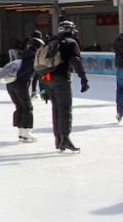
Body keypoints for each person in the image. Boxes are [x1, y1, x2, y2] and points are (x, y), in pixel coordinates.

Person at [38, 20, 90, 152]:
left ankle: (58, 140)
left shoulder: (51, 42)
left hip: (46, 81)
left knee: (56, 109)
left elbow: (40, 66)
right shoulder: (71, 43)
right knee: (65, 109)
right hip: (61, 80)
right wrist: (83, 79)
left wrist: (42, 88)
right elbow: (76, 61)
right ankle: (64, 139)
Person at [7, 35, 43, 142]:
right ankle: (26, 133)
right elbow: (39, 78)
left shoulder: (23, 56)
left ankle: (21, 133)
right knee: (27, 107)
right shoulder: (33, 59)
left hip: (10, 83)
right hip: (20, 84)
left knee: (20, 106)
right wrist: (44, 92)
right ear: (37, 48)